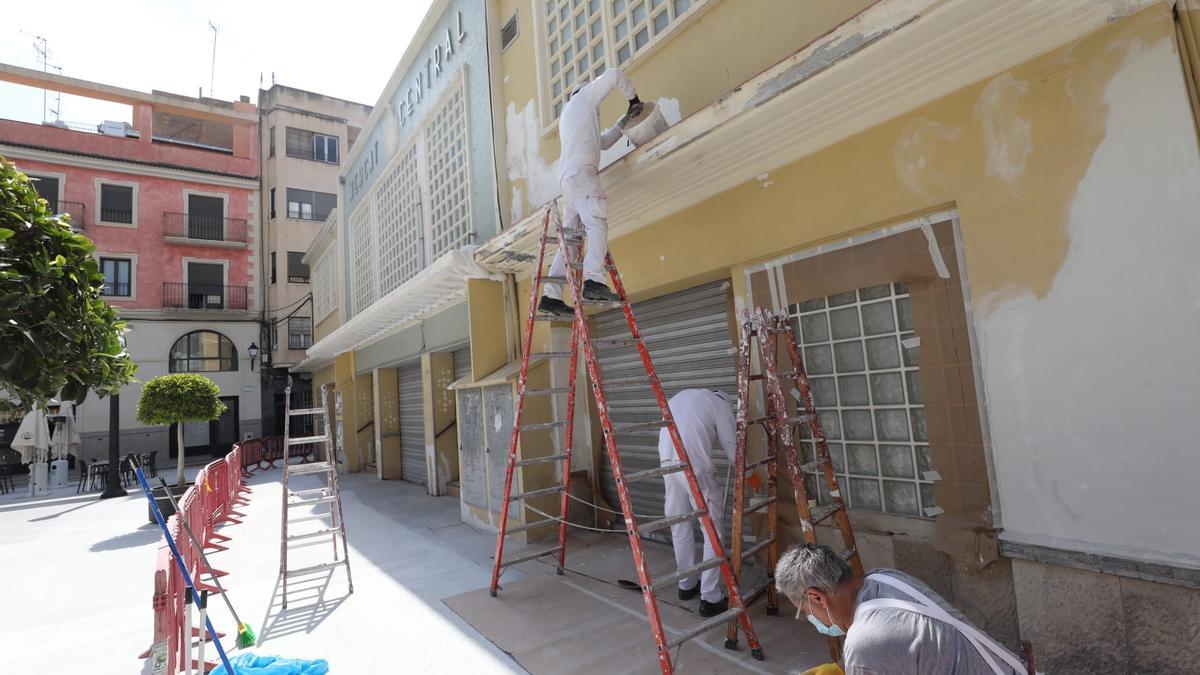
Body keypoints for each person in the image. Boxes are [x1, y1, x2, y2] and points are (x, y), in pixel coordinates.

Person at [775, 543, 1028, 674]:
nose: (809, 618)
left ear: (817, 598)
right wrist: (840, 668)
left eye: (804, 610)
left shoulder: (866, 640)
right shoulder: (882, 579)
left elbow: (874, 647)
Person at [539, 67, 643, 316]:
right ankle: (594, 280)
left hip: (569, 180)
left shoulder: (573, 115)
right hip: (582, 175)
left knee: (572, 241)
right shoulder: (585, 97)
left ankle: (551, 296)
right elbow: (613, 75)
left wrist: (625, 119)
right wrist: (634, 99)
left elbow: (603, 141)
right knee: (597, 224)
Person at [657, 388, 737, 618]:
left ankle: (686, 584)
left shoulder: (682, 397)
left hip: (669, 467)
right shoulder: (720, 404)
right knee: (712, 530)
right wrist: (753, 475)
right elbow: (734, 454)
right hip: (695, 470)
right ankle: (710, 597)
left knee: (680, 525)